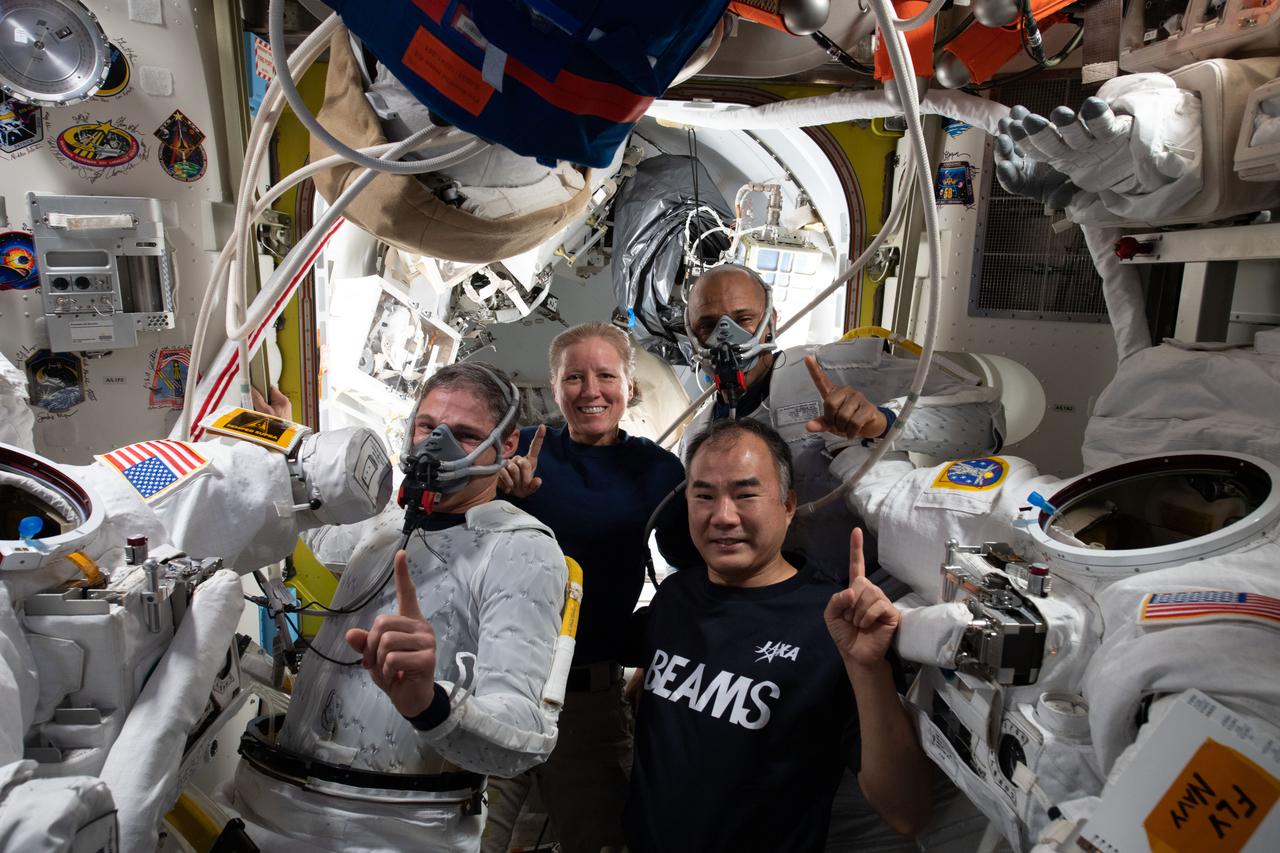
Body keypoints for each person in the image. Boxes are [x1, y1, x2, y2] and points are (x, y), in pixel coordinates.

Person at [229, 363, 570, 852]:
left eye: (465, 434)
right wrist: (286, 442)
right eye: (429, 427)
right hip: (271, 804)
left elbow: (524, 734)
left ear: (506, 444)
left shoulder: (520, 550)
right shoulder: (385, 527)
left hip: (390, 831)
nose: (437, 447)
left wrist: (428, 701)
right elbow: (306, 526)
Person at [624, 418, 933, 852]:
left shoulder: (833, 624)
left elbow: (907, 812)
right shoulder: (675, 596)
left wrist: (868, 669)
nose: (722, 516)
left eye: (746, 494)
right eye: (704, 496)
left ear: (788, 505)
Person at [482, 322, 697, 853]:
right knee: (473, 838)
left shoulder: (657, 470)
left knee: (595, 838)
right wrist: (499, 496)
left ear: (629, 384)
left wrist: (648, 653)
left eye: (605, 375)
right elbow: (466, 551)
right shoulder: (524, 455)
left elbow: (693, 573)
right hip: (494, 680)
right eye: (573, 377)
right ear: (555, 389)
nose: (590, 390)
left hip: (586, 698)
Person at [683, 263, 1006, 587]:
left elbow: (985, 423)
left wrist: (885, 422)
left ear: (770, 323)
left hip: (877, 594)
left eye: (742, 319)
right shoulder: (696, 439)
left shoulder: (837, 369)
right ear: (692, 334)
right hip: (777, 612)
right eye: (708, 324)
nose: (725, 336)